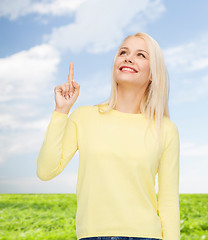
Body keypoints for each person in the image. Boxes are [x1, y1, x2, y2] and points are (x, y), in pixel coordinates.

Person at [36, 32, 180, 240]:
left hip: (147, 235)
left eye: (141, 55)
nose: (128, 57)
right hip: (92, 235)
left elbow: (168, 202)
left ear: (153, 74)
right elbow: (45, 171)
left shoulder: (166, 130)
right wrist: (61, 111)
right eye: (123, 52)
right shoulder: (83, 117)